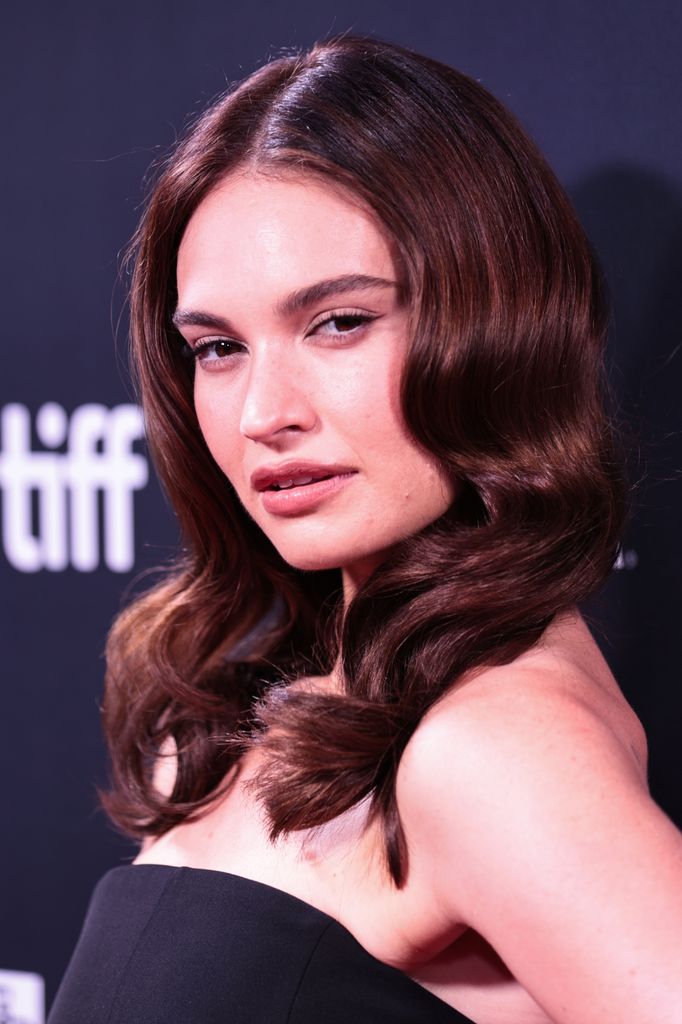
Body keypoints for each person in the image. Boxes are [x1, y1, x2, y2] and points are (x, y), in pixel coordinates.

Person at [49, 35, 682, 1024]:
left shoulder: (491, 746)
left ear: (499, 324)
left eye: (339, 322)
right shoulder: (249, 714)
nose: (264, 410)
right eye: (217, 347)